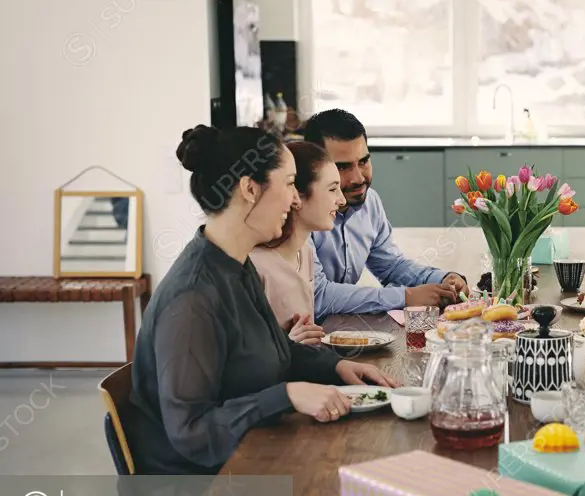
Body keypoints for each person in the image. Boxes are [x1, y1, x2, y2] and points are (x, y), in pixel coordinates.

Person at [123, 125, 399, 476]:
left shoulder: (233, 264)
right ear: (249, 189)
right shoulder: (192, 300)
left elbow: (274, 349)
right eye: (288, 184)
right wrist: (286, 396)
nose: (295, 199)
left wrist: (334, 367)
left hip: (252, 448)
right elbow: (191, 432)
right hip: (205, 481)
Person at [302, 109, 469, 318]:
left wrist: (442, 279)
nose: (358, 178)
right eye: (342, 167)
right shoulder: (301, 214)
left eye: (363, 161)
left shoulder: (370, 202)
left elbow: (392, 267)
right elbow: (318, 297)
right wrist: (406, 296)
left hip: (339, 330)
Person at [250, 141, 345, 345]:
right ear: (296, 195)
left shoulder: (306, 251)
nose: (342, 200)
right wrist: (288, 346)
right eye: (332, 189)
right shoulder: (256, 267)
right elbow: (245, 357)